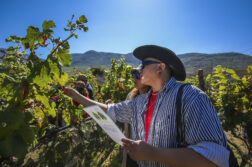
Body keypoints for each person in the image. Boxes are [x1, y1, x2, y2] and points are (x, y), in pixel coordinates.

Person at [64, 45, 229, 167]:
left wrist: (153, 154)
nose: (139, 69)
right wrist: (77, 96)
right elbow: (109, 111)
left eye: (144, 65)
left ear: (160, 67)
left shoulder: (191, 97)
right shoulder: (139, 102)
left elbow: (215, 160)